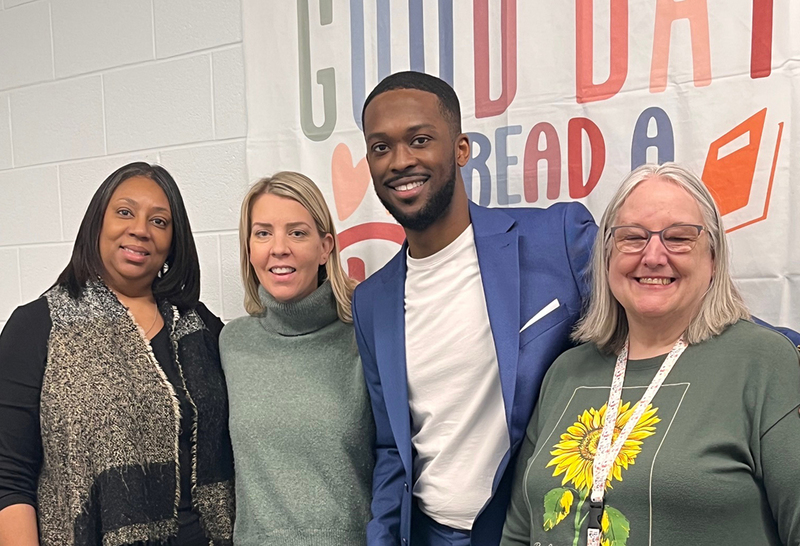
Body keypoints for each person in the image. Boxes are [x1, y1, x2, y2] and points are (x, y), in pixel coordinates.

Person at [352, 71, 597, 546]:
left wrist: (783, 347)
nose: (400, 161)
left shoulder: (557, 239)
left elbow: (658, 313)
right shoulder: (371, 301)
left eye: (419, 140)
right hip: (427, 534)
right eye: (381, 148)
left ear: (461, 149)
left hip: (531, 530)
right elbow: (391, 447)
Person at [501, 163, 800, 545]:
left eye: (678, 238)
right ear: (607, 256)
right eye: (632, 237)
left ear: (712, 258)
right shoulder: (566, 372)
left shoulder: (765, 363)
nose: (653, 256)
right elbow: (519, 530)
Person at [0, 162, 234, 546]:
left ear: (174, 241)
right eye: (124, 212)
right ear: (97, 223)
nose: (140, 229)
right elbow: (9, 476)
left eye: (159, 221)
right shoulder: (38, 326)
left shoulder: (201, 327)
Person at [219, 171, 375, 545]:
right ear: (249, 248)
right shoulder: (231, 342)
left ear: (325, 248)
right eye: (263, 233)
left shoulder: (365, 338)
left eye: (297, 232)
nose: (279, 247)